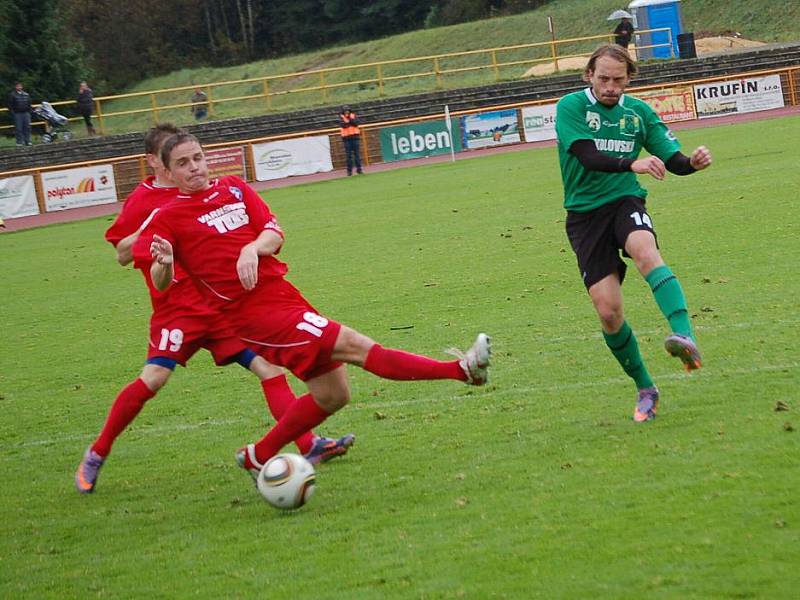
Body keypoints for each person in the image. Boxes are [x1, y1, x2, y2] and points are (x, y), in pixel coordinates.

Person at [138, 132, 491, 480]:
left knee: (333, 394)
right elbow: (159, 281)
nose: (195, 167)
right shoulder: (169, 217)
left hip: (283, 296)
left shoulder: (234, 187)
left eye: (198, 157)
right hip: (255, 316)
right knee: (354, 345)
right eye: (183, 163)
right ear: (169, 172)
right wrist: (165, 261)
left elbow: (273, 232)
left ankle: (258, 456)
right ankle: (461, 370)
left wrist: (252, 248)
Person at [75, 124, 353, 494]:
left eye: (193, 158)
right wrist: (151, 226)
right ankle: (97, 453)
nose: (187, 166)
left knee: (269, 368)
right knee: (154, 379)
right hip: (178, 309)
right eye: (173, 160)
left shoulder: (209, 193)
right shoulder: (147, 202)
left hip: (223, 307)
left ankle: (309, 445)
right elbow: (123, 254)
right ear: (156, 164)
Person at [554, 44, 712, 422]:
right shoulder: (571, 107)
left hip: (625, 201)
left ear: (629, 79)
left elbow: (673, 161)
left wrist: (691, 162)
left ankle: (685, 336)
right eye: (603, 78)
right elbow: (587, 155)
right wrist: (633, 162)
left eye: (618, 80)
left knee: (645, 251)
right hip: (584, 217)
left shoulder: (639, 113)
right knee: (608, 312)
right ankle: (645, 387)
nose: (610, 86)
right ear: (588, 75)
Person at [339, 105, 363, 175]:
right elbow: (343, 125)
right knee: (348, 156)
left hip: (355, 138)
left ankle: (359, 169)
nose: (347, 112)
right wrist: (350, 121)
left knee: (357, 155)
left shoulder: (353, 115)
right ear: (343, 111)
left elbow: (356, 123)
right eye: (345, 111)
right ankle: (349, 171)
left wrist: (349, 120)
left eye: (348, 110)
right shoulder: (341, 118)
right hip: (346, 139)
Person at [8, 82, 32, 146]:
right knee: (19, 128)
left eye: (20, 86)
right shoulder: (12, 95)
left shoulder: (26, 94)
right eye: (18, 86)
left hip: (26, 113)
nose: (19, 87)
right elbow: (10, 105)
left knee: (27, 127)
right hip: (17, 114)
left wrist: (29, 112)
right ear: (15, 87)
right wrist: (13, 113)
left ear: (22, 87)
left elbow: (29, 104)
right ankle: (19, 142)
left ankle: (28, 141)